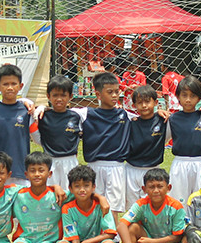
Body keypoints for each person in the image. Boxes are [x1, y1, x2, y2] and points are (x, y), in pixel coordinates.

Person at [115, 167, 187, 243]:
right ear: (144, 189)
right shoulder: (141, 204)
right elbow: (121, 225)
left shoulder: (176, 207)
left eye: (160, 186)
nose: (156, 190)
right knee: (131, 228)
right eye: (151, 187)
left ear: (168, 188)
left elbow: (178, 236)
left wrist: (152, 242)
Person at [54, 166, 119, 243]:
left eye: (86, 185)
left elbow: (110, 233)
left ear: (93, 187)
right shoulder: (67, 209)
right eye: (77, 186)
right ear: (70, 189)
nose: (82, 190)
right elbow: (74, 239)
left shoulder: (101, 205)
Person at [76, 72, 131, 217]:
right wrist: (39, 108)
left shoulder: (124, 115)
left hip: (116, 167)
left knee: (113, 209)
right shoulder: (86, 114)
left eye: (116, 91)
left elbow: (145, 116)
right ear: (98, 95)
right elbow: (62, 112)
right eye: (110, 92)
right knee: (93, 205)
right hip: (94, 166)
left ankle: (113, 238)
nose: (114, 95)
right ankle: (96, 237)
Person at [11, 152, 63, 243]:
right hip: (26, 239)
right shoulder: (18, 194)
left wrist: (101, 198)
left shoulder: (58, 196)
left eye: (41, 170)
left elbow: (81, 196)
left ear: (49, 174)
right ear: (26, 174)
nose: (37, 174)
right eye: (32, 171)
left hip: (46, 242)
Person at [0, 64, 36, 185]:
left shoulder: (26, 111)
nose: (10, 88)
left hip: (20, 170)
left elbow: (37, 137)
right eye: (5, 84)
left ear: (20, 86)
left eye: (13, 84)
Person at [32, 75, 83, 188]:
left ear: (70, 96)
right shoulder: (43, 116)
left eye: (63, 95)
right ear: (48, 96)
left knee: (70, 192)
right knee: (51, 193)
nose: (59, 99)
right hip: (50, 161)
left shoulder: (76, 116)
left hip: (70, 161)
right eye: (55, 95)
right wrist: (41, 107)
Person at [125, 85, 167, 216]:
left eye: (147, 101)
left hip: (153, 169)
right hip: (132, 170)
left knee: (153, 206)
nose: (144, 105)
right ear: (134, 105)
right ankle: (134, 234)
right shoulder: (130, 122)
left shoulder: (163, 121)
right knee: (133, 208)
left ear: (155, 103)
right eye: (140, 102)